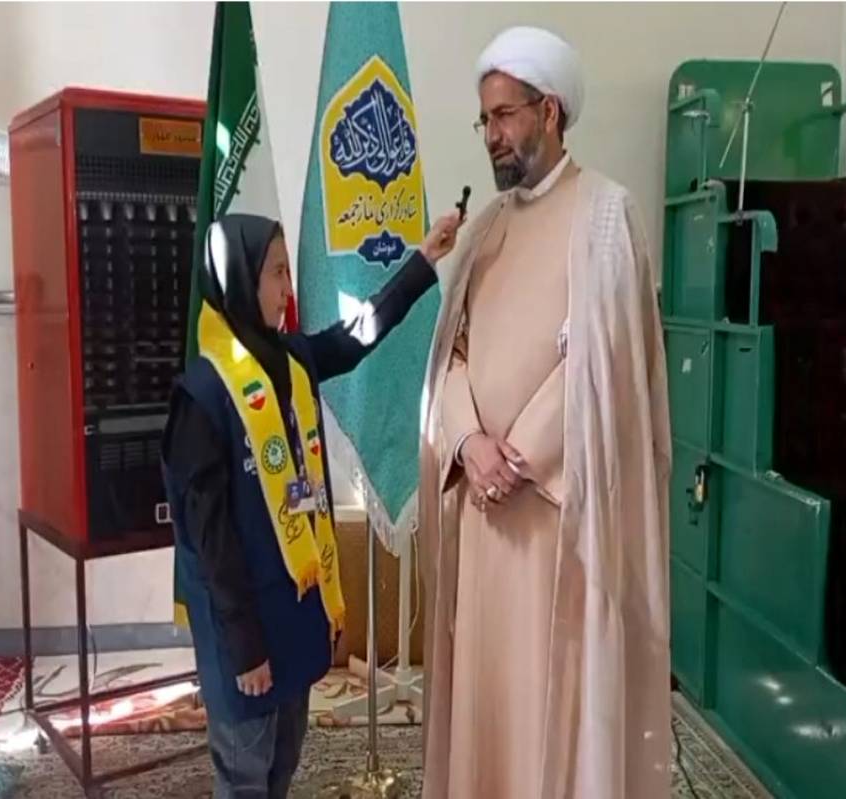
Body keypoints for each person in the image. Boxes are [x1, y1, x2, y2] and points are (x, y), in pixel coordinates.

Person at [417, 26, 673, 799]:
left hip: (555, 518)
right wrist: (469, 440)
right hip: (484, 514)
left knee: (546, 712)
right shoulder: (485, 230)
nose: (491, 134)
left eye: (503, 115)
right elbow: (452, 353)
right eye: (484, 119)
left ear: (550, 111)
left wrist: (520, 454)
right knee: (486, 710)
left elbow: (606, 363)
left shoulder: (605, 217)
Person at [163, 210, 460, 798]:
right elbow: (212, 545)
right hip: (242, 631)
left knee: (282, 765)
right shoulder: (203, 397)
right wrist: (245, 650)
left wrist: (424, 260)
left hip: (294, 614)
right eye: (276, 273)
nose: (287, 289)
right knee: (245, 775)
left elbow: (357, 335)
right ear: (240, 280)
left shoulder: (290, 360)